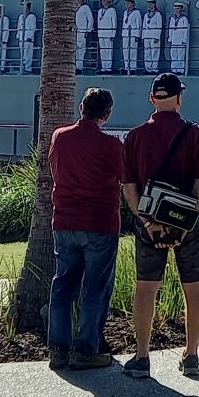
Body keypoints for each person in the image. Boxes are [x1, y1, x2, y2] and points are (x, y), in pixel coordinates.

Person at [120, 72, 199, 379]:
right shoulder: (195, 134)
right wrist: (185, 224)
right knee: (193, 286)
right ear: (179, 99)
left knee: (146, 287)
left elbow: (129, 188)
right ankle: (192, 355)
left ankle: (142, 357)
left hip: (150, 222)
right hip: (188, 224)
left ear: (152, 99)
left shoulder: (134, 137)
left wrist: (147, 223)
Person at [45, 87, 124, 372]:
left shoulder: (60, 136)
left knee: (63, 284)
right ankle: (86, 349)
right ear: (107, 114)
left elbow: (54, 169)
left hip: (65, 221)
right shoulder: (111, 146)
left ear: (81, 107)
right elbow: (126, 177)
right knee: (95, 288)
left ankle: (58, 349)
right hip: (100, 222)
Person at [96, 0, 120, 73]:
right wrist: (98, 33)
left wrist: (113, 34)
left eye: (105, 0)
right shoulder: (100, 11)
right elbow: (98, 23)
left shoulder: (112, 10)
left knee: (108, 50)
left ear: (109, 1)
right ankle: (104, 67)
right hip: (101, 33)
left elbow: (114, 23)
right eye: (102, 0)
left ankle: (108, 67)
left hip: (109, 34)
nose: (103, 2)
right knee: (102, 51)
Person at [141, 0, 164, 75]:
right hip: (147, 35)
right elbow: (144, 26)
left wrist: (157, 37)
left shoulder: (158, 14)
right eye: (149, 4)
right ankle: (147, 68)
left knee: (155, 52)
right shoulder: (146, 15)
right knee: (147, 52)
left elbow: (159, 26)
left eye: (151, 4)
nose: (150, 5)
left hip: (154, 35)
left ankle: (154, 68)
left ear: (154, 4)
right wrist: (143, 36)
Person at [166, 2, 190, 74]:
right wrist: (170, 38)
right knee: (173, 54)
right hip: (174, 38)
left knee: (180, 54)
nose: (177, 10)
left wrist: (184, 39)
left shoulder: (184, 19)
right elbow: (170, 28)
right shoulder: (172, 18)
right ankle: (174, 69)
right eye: (176, 8)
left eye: (178, 8)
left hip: (180, 38)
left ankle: (180, 69)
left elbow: (185, 30)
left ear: (181, 9)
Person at [75, 0, 95, 72]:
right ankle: (75, 66)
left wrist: (88, 30)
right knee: (76, 49)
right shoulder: (76, 7)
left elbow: (90, 19)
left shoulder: (86, 8)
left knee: (81, 49)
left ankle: (79, 67)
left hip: (82, 31)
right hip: (75, 31)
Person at [19, 0, 40, 73]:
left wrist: (30, 37)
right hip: (21, 37)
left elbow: (33, 28)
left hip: (28, 38)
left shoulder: (32, 16)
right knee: (22, 54)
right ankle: (23, 67)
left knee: (28, 54)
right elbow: (19, 27)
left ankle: (28, 68)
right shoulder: (21, 16)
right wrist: (18, 35)